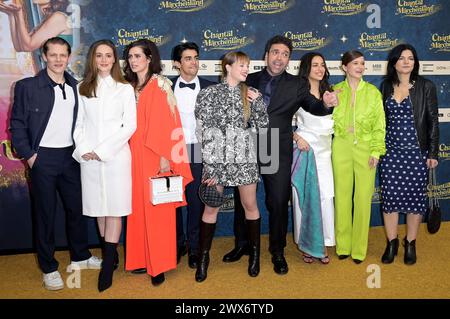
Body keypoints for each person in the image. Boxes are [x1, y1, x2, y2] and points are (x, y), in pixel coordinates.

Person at [223, 35, 337, 275]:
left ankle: (277, 251)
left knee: (277, 202)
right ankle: (242, 244)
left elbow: (313, 107)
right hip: (248, 148)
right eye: (275, 52)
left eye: (285, 54)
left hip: (277, 148)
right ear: (266, 55)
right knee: (244, 201)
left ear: (289, 59)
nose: (279, 57)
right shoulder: (249, 78)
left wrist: (326, 104)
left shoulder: (297, 85)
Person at [9, 36, 101, 291]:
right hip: (43, 159)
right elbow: (16, 125)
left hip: (70, 158)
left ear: (68, 57)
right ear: (44, 56)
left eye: (63, 55)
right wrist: (29, 155)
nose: (58, 59)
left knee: (76, 210)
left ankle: (80, 256)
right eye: (53, 55)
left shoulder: (77, 86)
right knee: (45, 215)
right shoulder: (27, 87)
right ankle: (49, 268)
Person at [194, 51, 269, 282]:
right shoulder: (208, 94)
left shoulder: (250, 94)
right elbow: (203, 132)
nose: (246, 69)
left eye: (248, 66)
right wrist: (211, 167)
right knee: (211, 208)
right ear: (228, 67)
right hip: (216, 160)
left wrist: (258, 104)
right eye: (242, 65)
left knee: (250, 205)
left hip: (244, 158)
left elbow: (263, 126)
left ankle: (254, 256)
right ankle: (203, 259)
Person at [123, 39, 192, 286]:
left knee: (157, 210)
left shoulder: (160, 84)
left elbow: (170, 123)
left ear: (150, 58)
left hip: (156, 155)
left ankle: (160, 264)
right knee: (137, 209)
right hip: (131, 154)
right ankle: (141, 258)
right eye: (130, 56)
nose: (133, 60)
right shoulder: (127, 85)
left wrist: (166, 158)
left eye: (138, 56)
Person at [73, 39, 136, 291]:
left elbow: (129, 126)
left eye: (108, 55)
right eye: (99, 55)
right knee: (99, 209)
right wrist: (85, 149)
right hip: (88, 159)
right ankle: (111, 252)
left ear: (115, 59)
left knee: (114, 209)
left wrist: (102, 151)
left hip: (116, 157)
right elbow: (78, 124)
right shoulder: (82, 87)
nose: (103, 60)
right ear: (93, 59)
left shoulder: (124, 88)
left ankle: (108, 262)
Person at [379, 44, 439, 265]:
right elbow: (380, 121)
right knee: (390, 201)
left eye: (411, 58)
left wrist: (432, 152)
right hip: (391, 155)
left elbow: (433, 122)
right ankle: (392, 242)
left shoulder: (426, 86)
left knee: (415, 201)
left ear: (415, 62)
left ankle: (410, 243)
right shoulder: (385, 86)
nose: (406, 62)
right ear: (394, 62)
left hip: (417, 154)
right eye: (402, 58)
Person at [332, 50, 386, 264]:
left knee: (363, 198)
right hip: (341, 146)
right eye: (355, 63)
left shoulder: (373, 92)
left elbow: (380, 125)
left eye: (362, 63)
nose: (360, 67)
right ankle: (343, 245)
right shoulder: (335, 90)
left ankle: (359, 249)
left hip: (365, 147)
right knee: (342, 197)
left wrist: (375, 151)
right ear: (344, 67)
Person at [171, 42, 215, 269]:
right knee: (174, 202)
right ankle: (178, 244)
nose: (194, 62)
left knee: (197, 201)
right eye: (188, 58)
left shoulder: (210, 87)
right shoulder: (165, 88)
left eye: (196, 57)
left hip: (199, 149)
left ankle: (196, 247)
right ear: (177, 64)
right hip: (173, 151)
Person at [291, 52, 335, 264]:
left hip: (326, 152)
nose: (319, 68)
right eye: (315, 65)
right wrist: (296, 136)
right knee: (305, 198)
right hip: (305, 150)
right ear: (306, 68)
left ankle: (323, 243)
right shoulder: (296, 92)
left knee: (326, 197)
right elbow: (279, 119)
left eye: (322, 65)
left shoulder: (331, 92)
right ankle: (307, 245)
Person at [0, 0, 73, 52]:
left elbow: (28, 46)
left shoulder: (59, 17)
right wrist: (11, 15)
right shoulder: (49, 19)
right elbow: (20, 47)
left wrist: (19, 13)